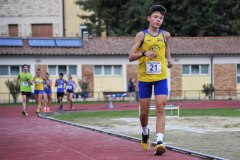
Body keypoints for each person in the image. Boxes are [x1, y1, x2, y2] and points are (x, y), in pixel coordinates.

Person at [129, 5, 173, 156]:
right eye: (155, 17)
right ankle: (145, 132)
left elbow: (166, 47)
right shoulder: (141, 35)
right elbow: (131, 56)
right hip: (145, 79)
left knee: (161, 107)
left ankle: (159, 141)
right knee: (144, 113)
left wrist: (169, 59)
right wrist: (144, 52)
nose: (158, 20)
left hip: (161, 77)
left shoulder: (165, 35)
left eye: (161, 18)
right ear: (149, 18)